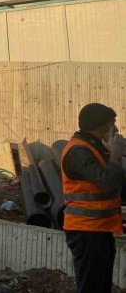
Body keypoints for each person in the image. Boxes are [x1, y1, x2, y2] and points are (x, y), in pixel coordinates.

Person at [61, 102, 124, 293]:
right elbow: (106, 180)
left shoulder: (94, 147)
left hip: (101, 229)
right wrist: (115, 155)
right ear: (101, 126)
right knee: (91, 287)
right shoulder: (78, 151)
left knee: (102, 286)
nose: (116, 128)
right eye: (112, 123)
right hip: (85, 230)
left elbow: (117, 180)